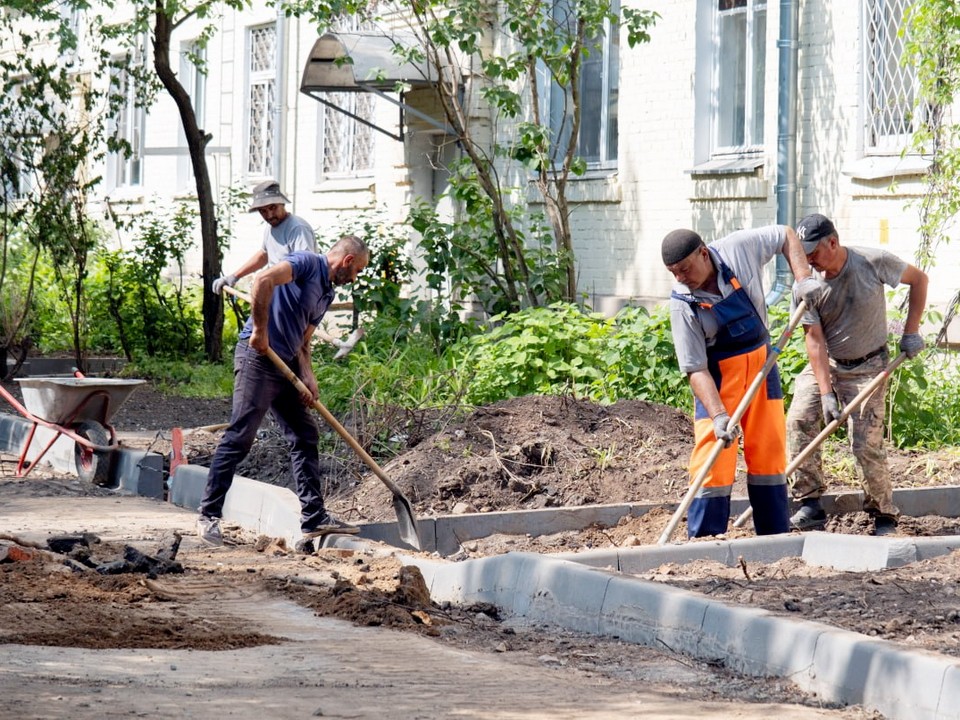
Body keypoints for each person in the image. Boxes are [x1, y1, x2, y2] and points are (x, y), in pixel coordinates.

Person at [197, 235, 370, 552]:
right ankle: (208, 515)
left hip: (286, 365)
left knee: (304, 434)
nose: (355, 277)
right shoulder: (306, 263)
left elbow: (305, 340)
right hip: (258, 359)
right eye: (357, 270)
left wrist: (308, 375)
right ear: (347, 261)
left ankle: (314, 517)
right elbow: (262, 279)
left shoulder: (327, 292)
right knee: (241, 436)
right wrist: (261, 331)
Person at [662, 225, 821, 538]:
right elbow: (695, 368)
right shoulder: (683, 303)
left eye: (684, 269)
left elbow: (786, 235)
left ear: (703, 253)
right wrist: (719, 414)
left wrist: (804, 279)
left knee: (769, 453)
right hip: (720, 382)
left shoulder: (737, 249)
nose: (680, 277)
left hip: (763, 367)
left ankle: (775, 538)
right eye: (673, 272)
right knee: (713, 459)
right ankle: (705, 542)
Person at [786, 213, 928, 533]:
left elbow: (919, 280)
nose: (807, 261)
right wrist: (825, 393)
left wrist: (912, 331)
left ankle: (883, 513)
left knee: (865, 443)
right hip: (829, 365)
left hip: (869, 367)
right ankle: (810, 504)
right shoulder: (808, 286)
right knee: (798, 419)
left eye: (812, 253)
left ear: (833, 242)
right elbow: (814, 340)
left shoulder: (872, 261)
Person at [212, 180, 317, 295]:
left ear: (282, 203)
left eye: (273, 208)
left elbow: (304, 267)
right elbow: (264, 255)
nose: (269, 215)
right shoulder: (271, 227)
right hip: (277, 294)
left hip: (296, 297)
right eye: (263, 211)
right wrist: (234, 276)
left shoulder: (297, 228)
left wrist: (265, 280)